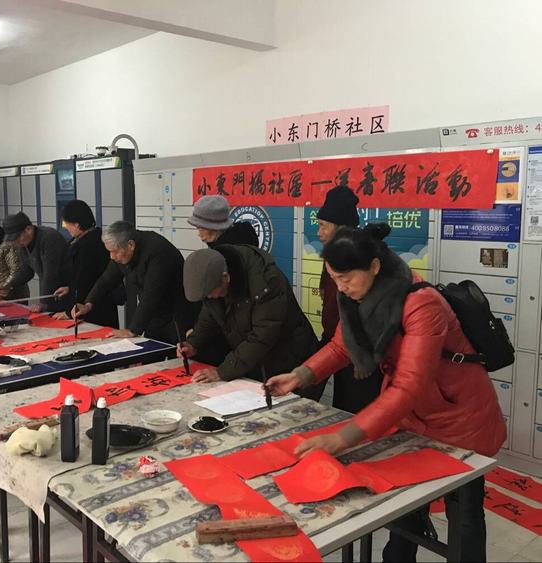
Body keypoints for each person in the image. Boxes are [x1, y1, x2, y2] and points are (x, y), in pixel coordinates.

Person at [266, 226, 506, 563]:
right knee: (406, 507)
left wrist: (342, 438)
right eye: (334, 278)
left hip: (459, 418)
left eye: (346, 278)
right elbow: (342, 346)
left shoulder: (422, 304)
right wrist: (300, 375)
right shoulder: (356, 299)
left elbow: (409, 385)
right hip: (413, 417)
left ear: (375, 266)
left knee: (464, 512)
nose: (341, 287)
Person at [178, 246, 319, 386]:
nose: (209, 297)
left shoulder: (265, 282)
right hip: (257, 361)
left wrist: (222, 371)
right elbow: (210, 316)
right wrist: (193, 343)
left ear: (225, 277)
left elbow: (262, 336)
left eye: (210, 293)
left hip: (292, 363)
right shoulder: (214, 279)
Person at [316, 186, 383, 412]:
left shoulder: (359, 258)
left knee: (360, 412)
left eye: (323, 225)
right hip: (339, 345)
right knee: (342, 406)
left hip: (360, 353)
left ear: (339, 227)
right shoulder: (334, 254)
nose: (319, 232)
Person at [71, 221, 194, 342]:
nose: (111, 256)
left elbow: (151, 294)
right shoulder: (123, 251)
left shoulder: (158, 251)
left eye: (114, 251)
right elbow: (106, 279)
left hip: (176, 316)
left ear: (130, 245)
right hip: (153, 317)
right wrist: (88, 303)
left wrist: (132, 330)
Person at [51, 200, 120, 328]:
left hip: (94, 309)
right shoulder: (94, 236)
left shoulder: (88, 246)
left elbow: (85, 281)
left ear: (77, 225)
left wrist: (68, 312)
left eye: (66, 223)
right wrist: (69, 288)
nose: (65, 227)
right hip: (97, 303)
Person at [2, 212, 70, 309]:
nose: (16, 242)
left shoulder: (49, 238)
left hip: (66, 291)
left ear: (28, 229)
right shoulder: (24, 243)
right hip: (50, 293)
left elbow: (50, 275)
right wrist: (8, 285)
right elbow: (26, 272)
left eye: (17, 237)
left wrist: (43, 303)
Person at [188, 195, 259, 248]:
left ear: (213, 228)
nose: (199, 234)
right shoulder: (246, 237)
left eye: (201, 229)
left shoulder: (222, 256)